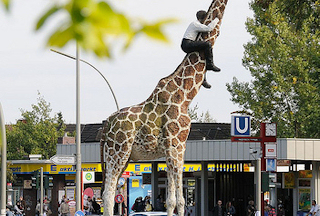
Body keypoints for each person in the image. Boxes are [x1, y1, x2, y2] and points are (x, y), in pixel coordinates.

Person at [181, 10, 222, 89]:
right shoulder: (195, 24)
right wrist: (217, 19)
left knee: (201, 56)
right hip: (187, 44)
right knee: (207, 45)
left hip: (187, 43)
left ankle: (203, 79)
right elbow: (208, 28)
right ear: (204, 18)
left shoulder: (196, 25)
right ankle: (210, 64)